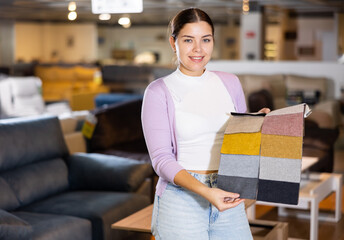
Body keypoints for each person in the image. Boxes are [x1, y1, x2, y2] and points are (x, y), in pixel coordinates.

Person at [141, 8, 269, 240]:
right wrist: (206, 192)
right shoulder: (158, 91)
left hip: (227, 190)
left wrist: (257, 123)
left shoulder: (230, 83)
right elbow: (161, 159)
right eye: (188, 40)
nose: (198, 49)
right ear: (173, 42)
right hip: (181, 199)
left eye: (205, 40)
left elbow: (238, 142)